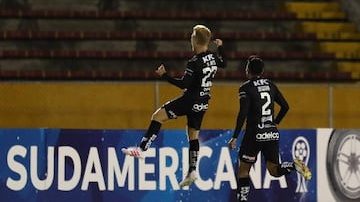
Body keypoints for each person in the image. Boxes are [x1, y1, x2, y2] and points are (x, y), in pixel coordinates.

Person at [122, 24, 226, 187]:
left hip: (190, 100)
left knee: (158, 116)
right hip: (204, 102)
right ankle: (192, 170)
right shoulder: (212, 57)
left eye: (192, 35)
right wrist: (220, 48)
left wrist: (165, 76)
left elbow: (184, 83)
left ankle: (142, 149)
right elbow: (223, 63)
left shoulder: (194, 62)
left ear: (195, 40)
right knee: (193, 135)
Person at [228, 55, 311, 201]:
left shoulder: (245, 88)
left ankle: (242, 200)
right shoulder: (270, 85)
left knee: (243, 171)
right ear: (262, 70)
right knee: (274, 170)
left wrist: (235, 136)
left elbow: (243, 113)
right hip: (271, 132)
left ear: (248, 70)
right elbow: (285, 107)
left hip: (254, 133)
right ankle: (293, 165)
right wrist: (275, 122)